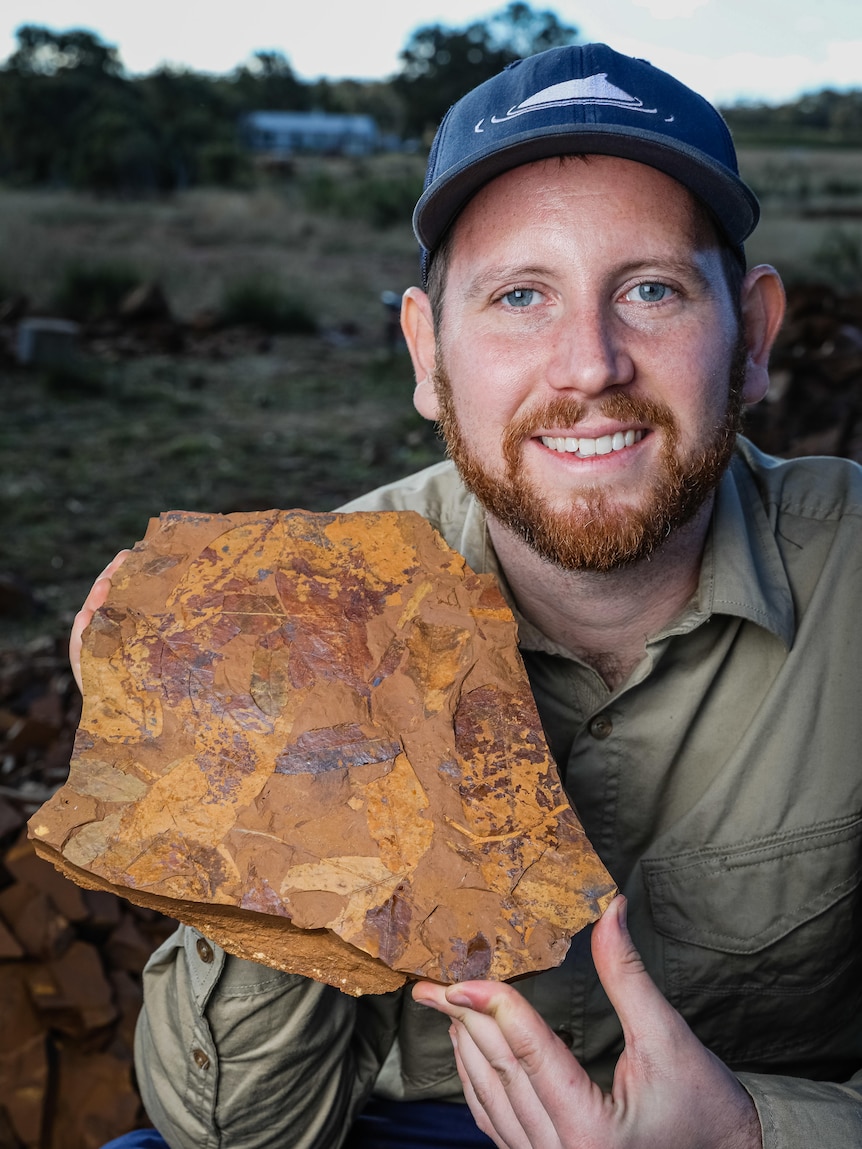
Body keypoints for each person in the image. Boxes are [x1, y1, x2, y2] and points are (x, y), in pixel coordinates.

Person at [73, 42, 862, 1149]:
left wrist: (744, 1133)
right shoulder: (304, 611)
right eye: (519, 296)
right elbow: (235, 1135)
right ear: (426, 355)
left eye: (649, 290)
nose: (588, 366)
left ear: (754, 338)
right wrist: (247, 786)